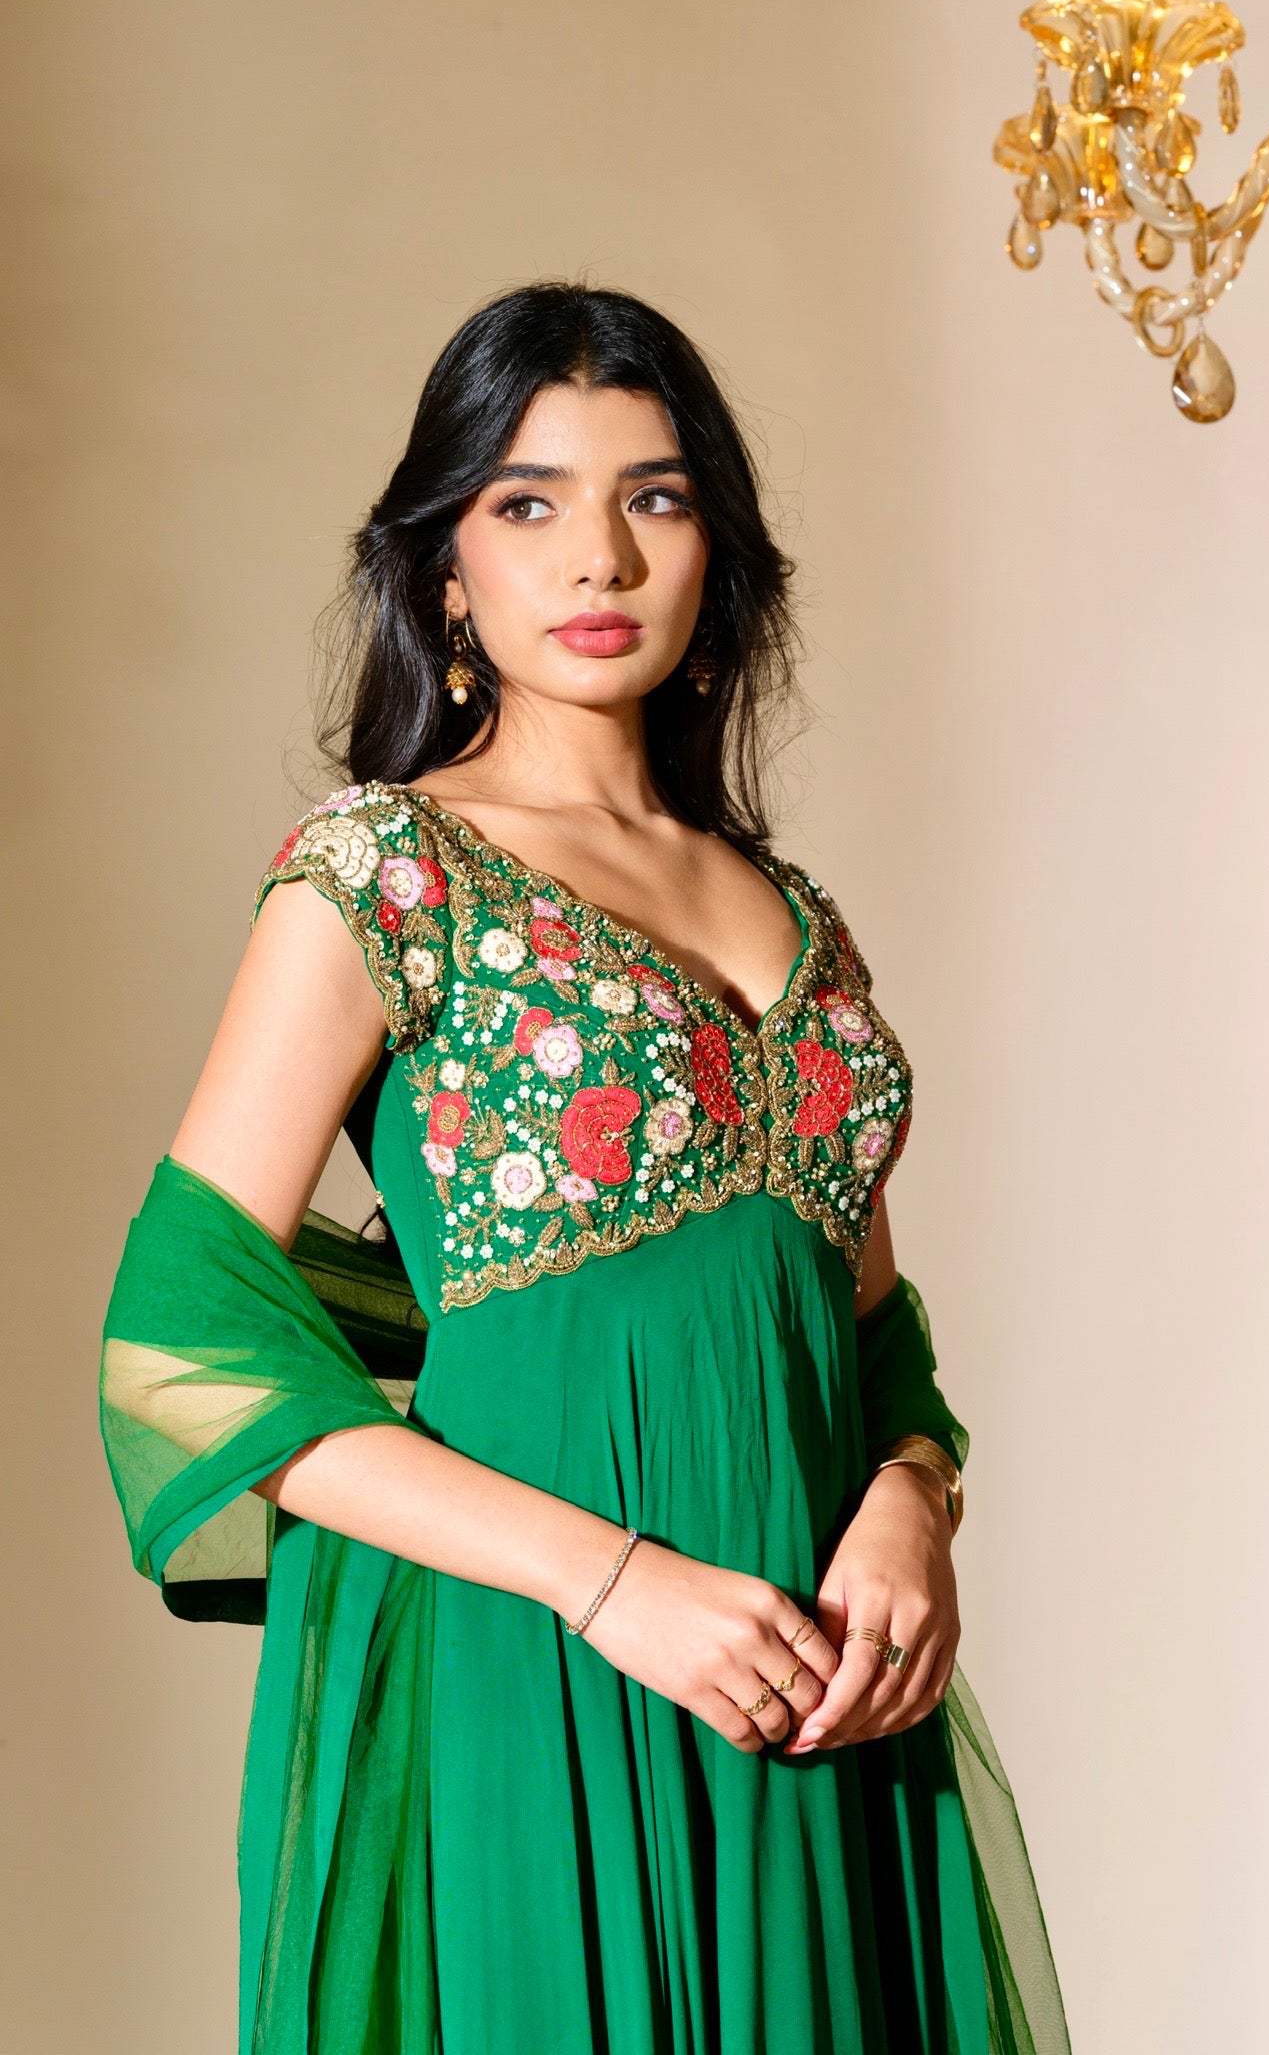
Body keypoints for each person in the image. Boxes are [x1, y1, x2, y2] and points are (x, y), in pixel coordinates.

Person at [98, 281, 1069, 2054]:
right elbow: (178, 1337)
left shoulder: (798, 919)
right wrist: (612, 1587)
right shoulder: (385, 870)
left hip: (816, 1689)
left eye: (657, 496)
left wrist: (915, 1502)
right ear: (445, 575)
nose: (598, 555)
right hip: (545, 1663)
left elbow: (871, 1337)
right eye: (528, 503)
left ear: (717, 563)